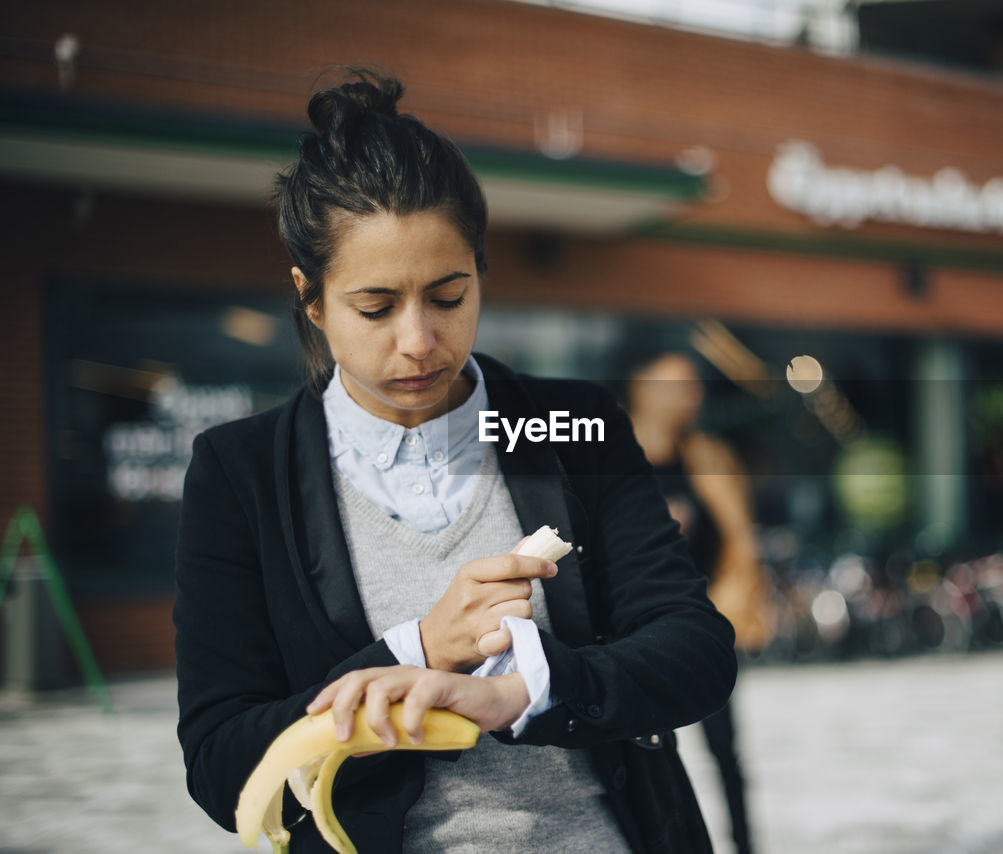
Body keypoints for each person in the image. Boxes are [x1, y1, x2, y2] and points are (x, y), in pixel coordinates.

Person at [173, 68, 736, 854]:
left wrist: (518, 694)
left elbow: (696, 652)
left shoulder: (568, 424)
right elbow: (220, 762)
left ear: (481, 269)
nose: (418, 341)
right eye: (375, 307)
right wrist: (418, 650)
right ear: (309, 297)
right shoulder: (242, 472)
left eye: (448, 296)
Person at [626, 352, 774, 854]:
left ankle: (744, 846)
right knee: (648, 752)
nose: (691, 395)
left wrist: (740, 604)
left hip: (706, 622)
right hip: (636, 629)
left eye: (693, 385)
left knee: (725, 752)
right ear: (639, 387)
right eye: (675, 384)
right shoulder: (611, 458)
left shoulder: (708, 455)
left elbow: (739, 539)